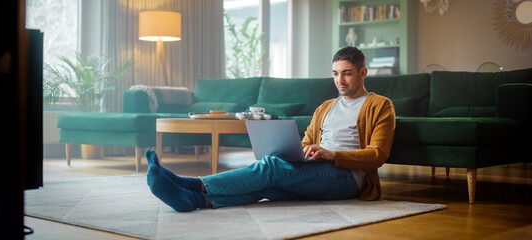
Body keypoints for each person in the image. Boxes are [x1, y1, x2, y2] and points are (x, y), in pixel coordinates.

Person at [145, 46, 396, 212]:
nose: (340, 80)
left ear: (363, 73)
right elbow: (308, 140)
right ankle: (195, 200)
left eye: (347, 74)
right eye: (335, 74)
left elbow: (378, 155)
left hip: (349, 179)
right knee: (269, 185)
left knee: (270, 168)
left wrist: (333, 155)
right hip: (318, 168)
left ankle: (190, 184)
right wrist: (302, 150)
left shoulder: (380, 105)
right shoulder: (326, 106)